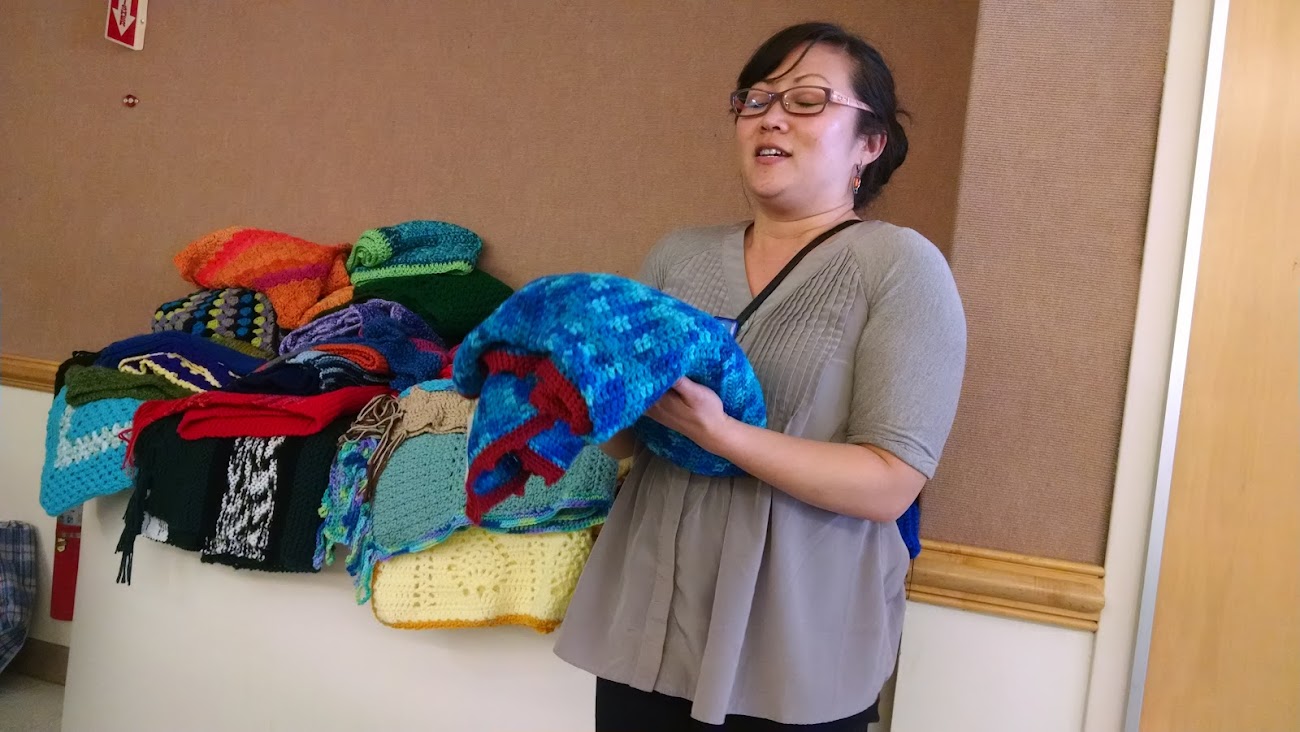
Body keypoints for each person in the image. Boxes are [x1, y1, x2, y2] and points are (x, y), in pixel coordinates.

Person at [554, 21, 967, 731]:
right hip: (648, 623)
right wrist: (580, 391)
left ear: (869, 145)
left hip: (797, 645)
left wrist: (722, 434)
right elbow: (630, 445)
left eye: (807, 100)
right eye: (755, 100)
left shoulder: (899, 267)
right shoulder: (678, 257)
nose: (771, 116)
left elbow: (891, 480)